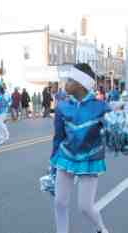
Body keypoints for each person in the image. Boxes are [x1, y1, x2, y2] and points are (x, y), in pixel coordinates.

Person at [51, 63, 110, 233]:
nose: (65, 83)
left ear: (80, 84)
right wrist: (53, 162)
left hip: (90, 159)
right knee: (60, 203)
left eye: (69, 80)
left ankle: (101, 229)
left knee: (85, 207)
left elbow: (114, 127)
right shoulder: (62, 106)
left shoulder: (100, 107)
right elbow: (58, 137)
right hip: (66, 156)